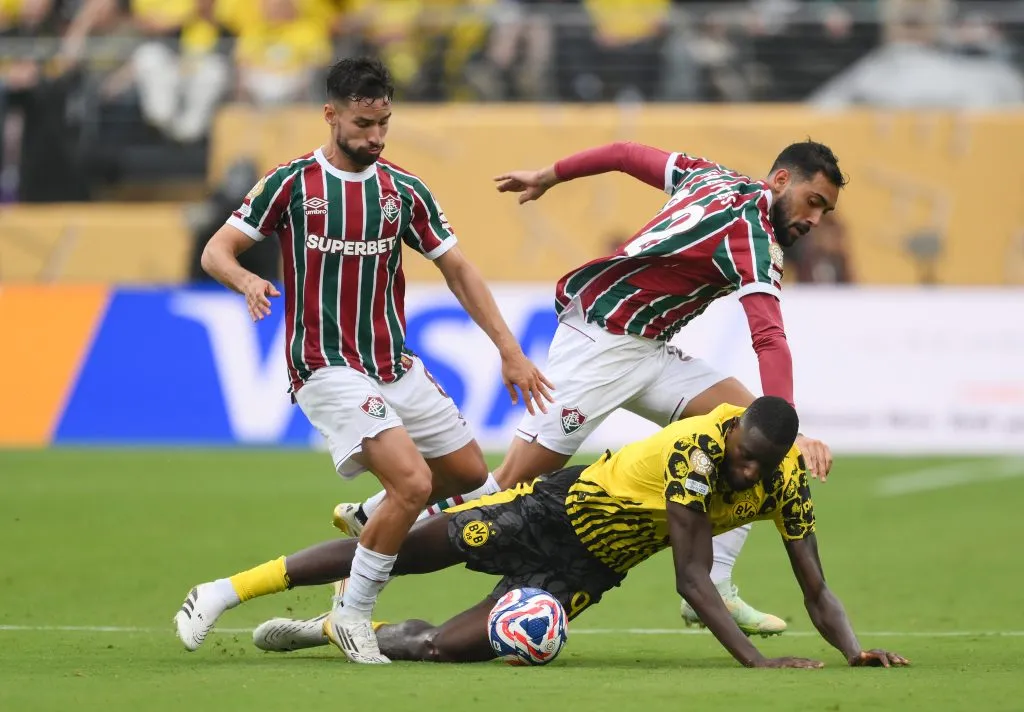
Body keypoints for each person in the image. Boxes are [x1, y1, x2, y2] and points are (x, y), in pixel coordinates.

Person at [333, 138, 845, 635]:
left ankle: (716, 583)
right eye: (813, 202)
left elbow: (623, 154)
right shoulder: (756, 239)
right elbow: (769, 337)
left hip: (648, 347)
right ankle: (376, 522)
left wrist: (548, 174)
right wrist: (794, 429)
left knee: (749, 429)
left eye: (824, 211)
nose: (815, 220)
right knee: (508, 486)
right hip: (599, 348)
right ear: (781, 180)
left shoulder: (712, 177)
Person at [176, 57, 552, 665]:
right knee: (413, 483)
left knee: (471, 485)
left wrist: (510, 351)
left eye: (384, 123)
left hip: (392, 362)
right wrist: (245, 280)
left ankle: (351, 526)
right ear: (331, 115)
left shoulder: (403, 190)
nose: (375, 136)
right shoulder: (292, 183)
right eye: (362, 123)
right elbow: (217, 251)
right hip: (324, 364)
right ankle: (351, 616)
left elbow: (458, 269)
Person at [175, 397, 910, 670]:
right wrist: (755, 662)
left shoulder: (785, 482)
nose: (744, 471)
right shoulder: (703, 451)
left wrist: (852, 649)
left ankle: (325, 632)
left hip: (588, 572)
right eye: (741, 453)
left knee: (445, 648)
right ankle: (227, 589)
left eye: (758, 463)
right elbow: (691, 579)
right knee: (402, 550)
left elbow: (815, 584)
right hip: (548, 513)